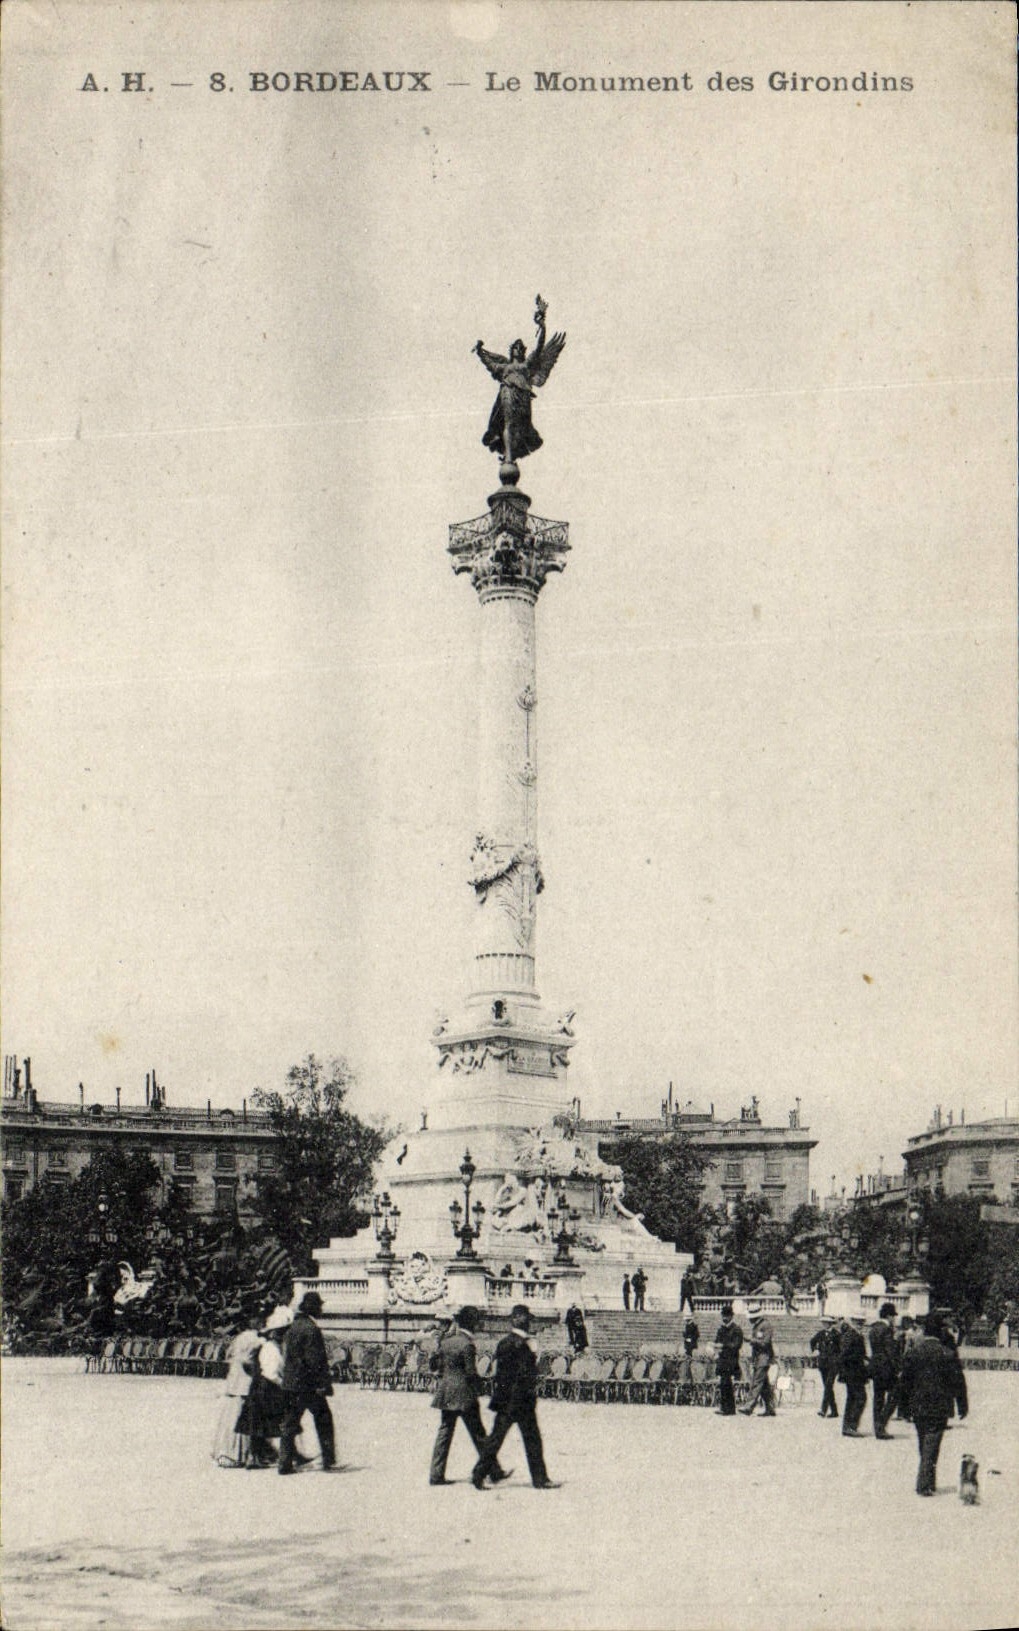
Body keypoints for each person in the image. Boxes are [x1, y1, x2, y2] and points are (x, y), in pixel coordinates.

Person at [472, 1304, 557, 1490]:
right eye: (525, 1317)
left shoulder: (508, 1342)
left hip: (510, 1401)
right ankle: (539, 1479)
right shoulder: (518, 1344)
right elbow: (519, 1374)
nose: (528, 1322)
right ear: (515, 1318)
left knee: (506, 1439)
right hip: (518, 1401)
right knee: (521, 1440)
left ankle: (479, 1474)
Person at [428, 1306, 510, 1487]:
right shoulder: (467, 1344)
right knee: (479, 1434)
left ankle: (436, 1475)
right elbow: (471, 1373)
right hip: (465, 1394)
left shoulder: (447, 1341)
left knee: (444, 1433)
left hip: (446, 1393)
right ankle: (493, 1471)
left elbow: (437, 1366)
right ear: (473, 1323)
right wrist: (482, 1387)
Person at [899, 1312, 968, 1496]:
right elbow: (958, 1381)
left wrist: (903, 1407)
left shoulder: (914, 1352)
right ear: (940, 1332)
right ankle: (924, 1484)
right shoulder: (947, 1353)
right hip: (940, 1405)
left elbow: (904, 1382)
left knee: (924, 1442)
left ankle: (928, 1480)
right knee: (932, 1442)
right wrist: (962, 1405)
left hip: (918, 1405)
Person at [278, 1291, 336, 1475]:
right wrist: (323, 1384)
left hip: (291, 1383)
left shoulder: (293, 1326)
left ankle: (284, 1463)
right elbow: (315, 1360)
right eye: (319, 1306)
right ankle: (328, 1459)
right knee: (324, 1419)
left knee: (289, 1422)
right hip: (308, 1385)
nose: (321, 1309)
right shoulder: (311, 1329)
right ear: (313, 1308)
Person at [212, 1319, 262, 1467]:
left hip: (234, 1381)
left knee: (230, 1418)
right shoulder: (255, 1339)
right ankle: (241, 1454)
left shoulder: (240, 1338)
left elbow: (229, 1355)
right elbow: (247, 1360)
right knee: (242, 1418)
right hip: (244, 1383)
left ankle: (227, 1452)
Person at [867, 1301, 899, 1439]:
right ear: (889, 1316)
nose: (894, 1319)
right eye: (893, 1316)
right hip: (887, 1368)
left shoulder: (873, 1328)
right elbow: (890, 1351)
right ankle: (882, 1423)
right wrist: (897, 1368)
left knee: (878, 1398)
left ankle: (877, 1427)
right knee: (895, 1395)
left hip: (876, 1367)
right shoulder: (887, 1330)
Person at [740, 1306, 777, 1416]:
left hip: (764, 1357)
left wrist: (751, 1340)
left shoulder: (765, 1326)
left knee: (756, 1382)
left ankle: (749, 1406)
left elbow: (765, 1343)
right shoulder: (757, 1326)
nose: (749, 1319)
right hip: (758, 1358)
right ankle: (770, 1408)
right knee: (764, 1385)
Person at [836, 1314, 869, 1436]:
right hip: (852, 1372)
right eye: (858, 1321)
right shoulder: (851, 1335)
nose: (860, 1324)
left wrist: (866, 1359)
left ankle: (847, 1427)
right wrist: (860, 1360)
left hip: (856, 1372)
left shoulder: (857, 1335)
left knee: (852, 1399)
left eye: (862, 1322)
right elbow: (844, 1355)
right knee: (860, 1398)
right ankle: (851, 1426)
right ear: (852, 1322)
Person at [713, 1303, 744, 1415]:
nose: (724, 1318)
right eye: (723, 1315)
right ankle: (724, 1407)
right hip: (722, 1359)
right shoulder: (721, 1329)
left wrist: (723, 1345)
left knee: (727, 1382)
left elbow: (736, 1345)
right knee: (723, 1383)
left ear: (731, 1316)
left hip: (731, 1360)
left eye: (726, 1315)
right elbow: (717, 1342)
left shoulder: (736, 1329)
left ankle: (729, 1408)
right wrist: (714, 1349)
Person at [809, 1314, 840, 1418]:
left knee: (828, 1385)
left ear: (830, 1323)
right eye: (823, 1322)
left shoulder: (837, 1335)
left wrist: (837, 1358)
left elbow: (841, 1348)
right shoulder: (821, 1334)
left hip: (833, 1364)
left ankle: (823, 1409)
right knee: (828, 1387)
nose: (824, 1324)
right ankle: (834, 1411)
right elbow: (812, 1341)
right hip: (823, 1363)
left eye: (826, 1322)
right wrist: (815, 1350)